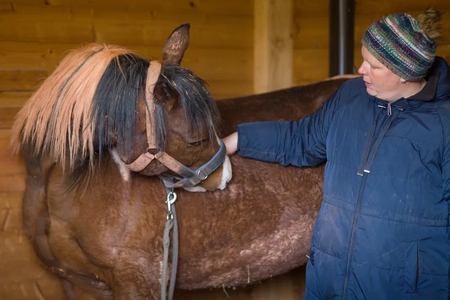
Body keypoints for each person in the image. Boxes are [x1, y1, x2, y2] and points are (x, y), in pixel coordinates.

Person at [223, 8, 450, 300]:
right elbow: (302, 140)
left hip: (402, 290)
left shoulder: (444, 125)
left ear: (405, 74)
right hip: (329, 282)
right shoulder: (351, 96)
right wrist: (237, 139)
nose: (360, 70)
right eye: (363, 59)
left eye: (373, 66)